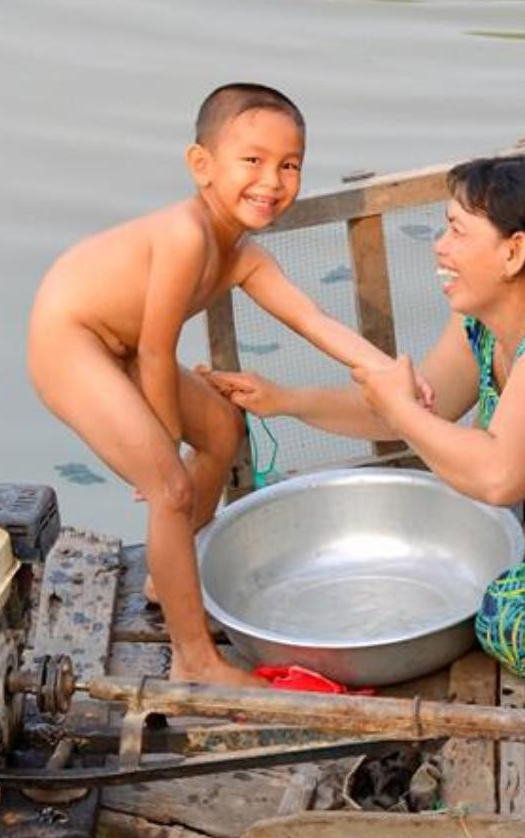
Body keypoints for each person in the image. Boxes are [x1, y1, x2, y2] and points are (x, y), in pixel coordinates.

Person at [202, 155, 525, 679]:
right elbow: (413, 409)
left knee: (511, 619)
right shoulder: (482, 320)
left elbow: (499, 477)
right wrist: (285, 400)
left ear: (514, 252)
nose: (440, 246)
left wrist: (401, 409)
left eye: (456, 231)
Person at [27, 82, 399, 688]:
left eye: (289, 166)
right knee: (167, 486)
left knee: (224, 428)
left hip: (122, 346)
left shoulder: (244, 256)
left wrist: (383, 370)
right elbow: (155, 347)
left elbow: (313, 320)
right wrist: (163, 444)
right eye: (251, 161)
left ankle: (163, 574)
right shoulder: (185, 236)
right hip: (71, 340)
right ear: (201, 166)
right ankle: (194, 657)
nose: (271, 182)